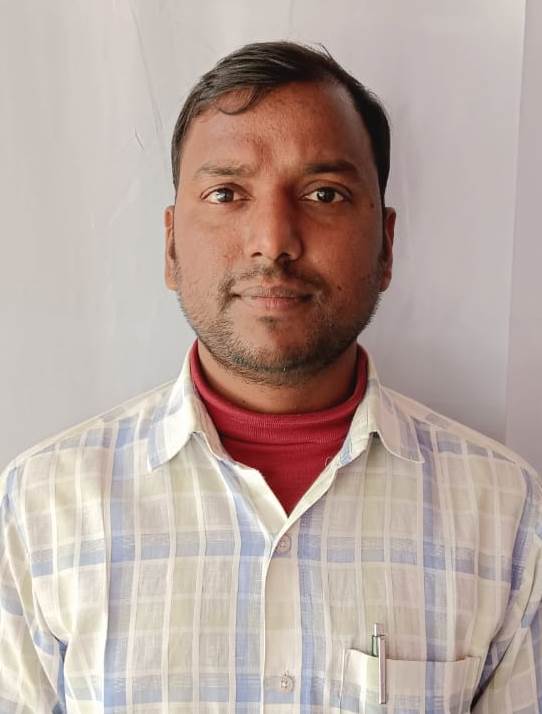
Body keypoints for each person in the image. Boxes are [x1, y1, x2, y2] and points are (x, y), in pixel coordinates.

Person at [0, 40, 540, 714]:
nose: (273, 241)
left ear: (386, 246)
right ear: (171, 245)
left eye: (324, 193)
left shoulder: (508, 514)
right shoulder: (39, 509)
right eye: (226, 193)